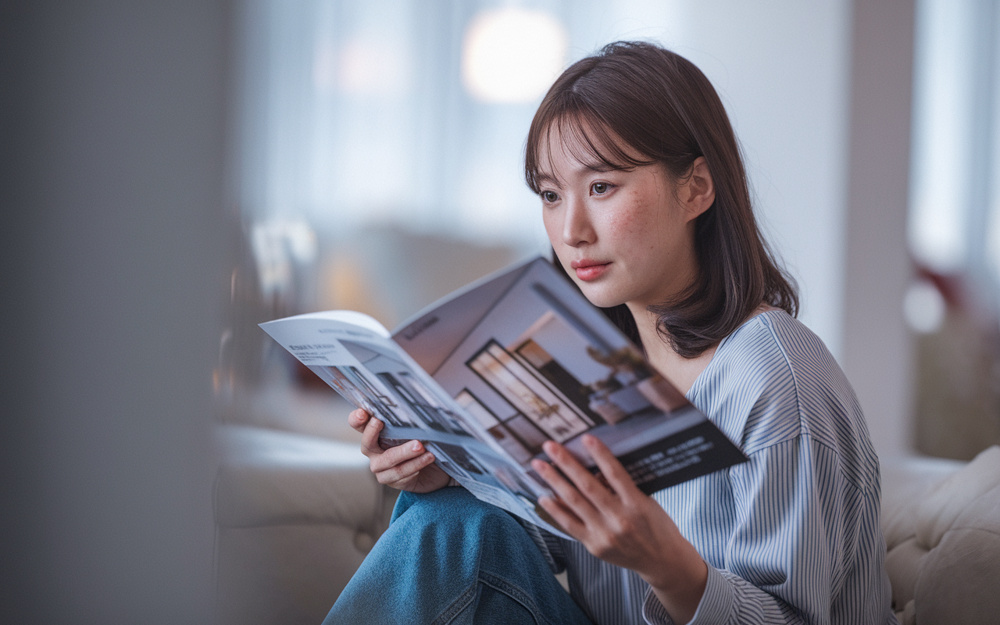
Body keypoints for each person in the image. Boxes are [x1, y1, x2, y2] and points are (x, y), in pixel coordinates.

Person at [323, 41, 897, 625]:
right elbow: (538, 539)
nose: (570, 230)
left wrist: (669, 566)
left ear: (695, 187)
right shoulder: (587, 360)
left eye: (601, 187)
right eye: (550, 195)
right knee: (447, 523)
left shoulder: (776, 377)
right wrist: (446, 470)